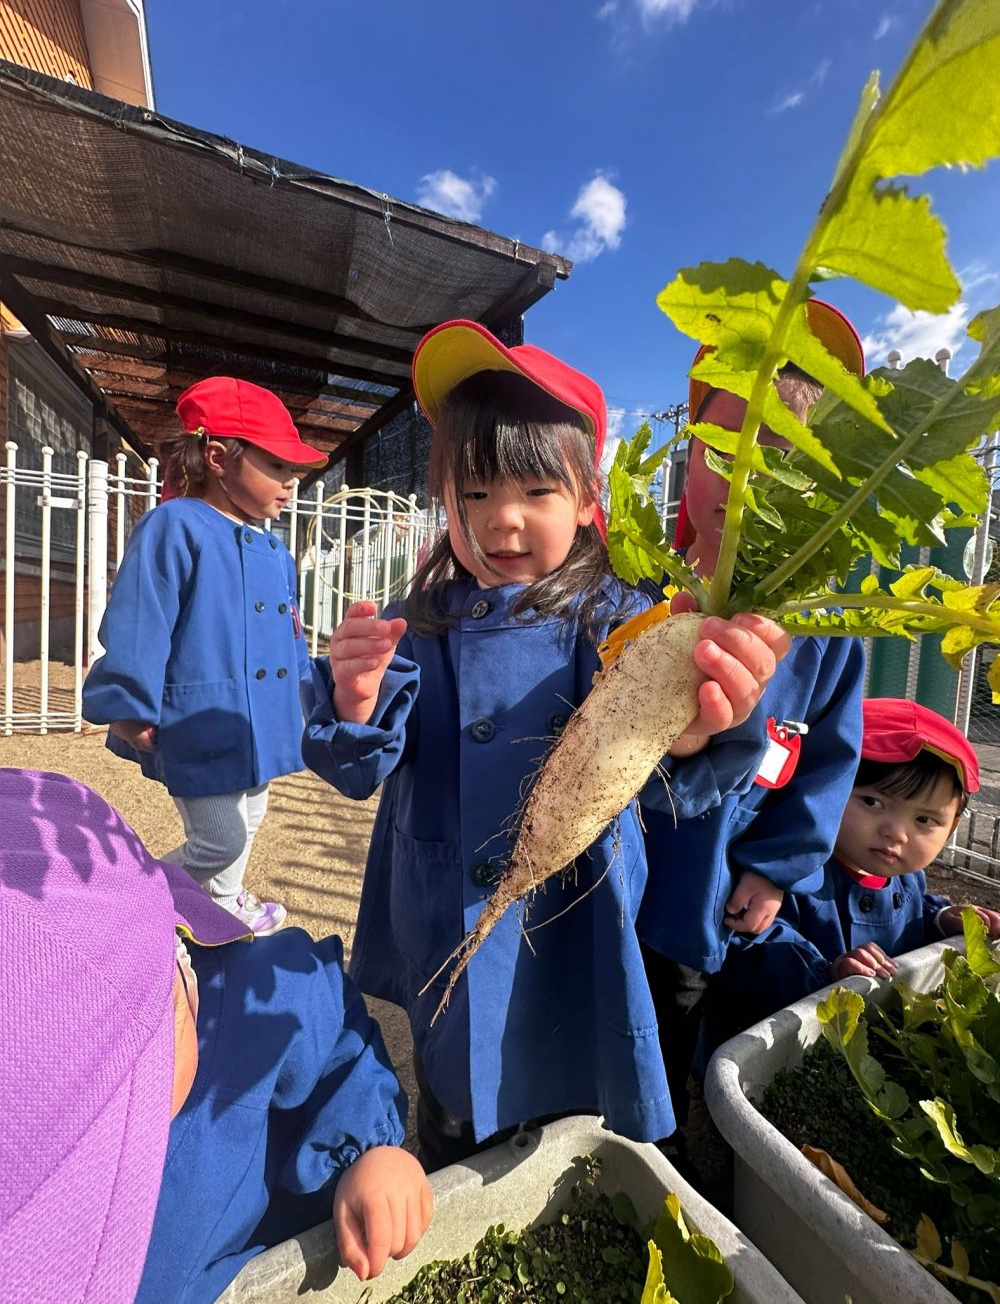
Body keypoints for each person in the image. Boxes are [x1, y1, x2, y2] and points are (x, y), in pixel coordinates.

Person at [301, 318, 792, 1170]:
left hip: (570, 920)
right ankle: (452, 1154)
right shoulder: (422, 623)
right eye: (476, 491)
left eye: (536, 491)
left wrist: (702, 725)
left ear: (589, 500)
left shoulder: (615, 617)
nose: (504, 521)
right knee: (453, 1091)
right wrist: (354, 698)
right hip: (445, 903)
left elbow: (668, 757)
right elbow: (361, 760)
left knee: (567, 1101)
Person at [0, 768, 432, 1304]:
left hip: (229, 743)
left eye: (132, 1086)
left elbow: (331, 1029)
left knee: (231, 828)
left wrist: (369, 1148)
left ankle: (227, 897)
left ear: (181, 977)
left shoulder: (240, 1009)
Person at [638, 300, 868, 1145]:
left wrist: (776, 871)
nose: (746, 480)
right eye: (722, 451)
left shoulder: (830, 634)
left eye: (784, 460)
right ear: (688, 454)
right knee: (623, 1008)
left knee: (691, 1027)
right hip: (630, 876)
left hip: (721, 895)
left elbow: (827, 767)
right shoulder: (643, 592)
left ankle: (672, 1139)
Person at [82, 377, 325, 934]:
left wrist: (306, 704)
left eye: (295, 472)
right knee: (219, 838)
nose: (292, 483)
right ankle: (126, 909)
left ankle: (223, 901)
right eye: (280, 467)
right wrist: (129, 701)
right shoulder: (176, 524)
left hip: (259, 721)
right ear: (218, 457)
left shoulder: (273, 547)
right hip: (198, 716)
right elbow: (142, 617)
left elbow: (292, 636)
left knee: (254, 814)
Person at [716, 698, 1000, 1023]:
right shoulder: (790, 873)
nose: (896, 833)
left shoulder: (908, 879)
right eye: (872, 802)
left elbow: (915, 909)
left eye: (924, 820)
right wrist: (830, 972)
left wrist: (943, 919)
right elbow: (755, 945)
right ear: (827, 790)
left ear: (953, 826)